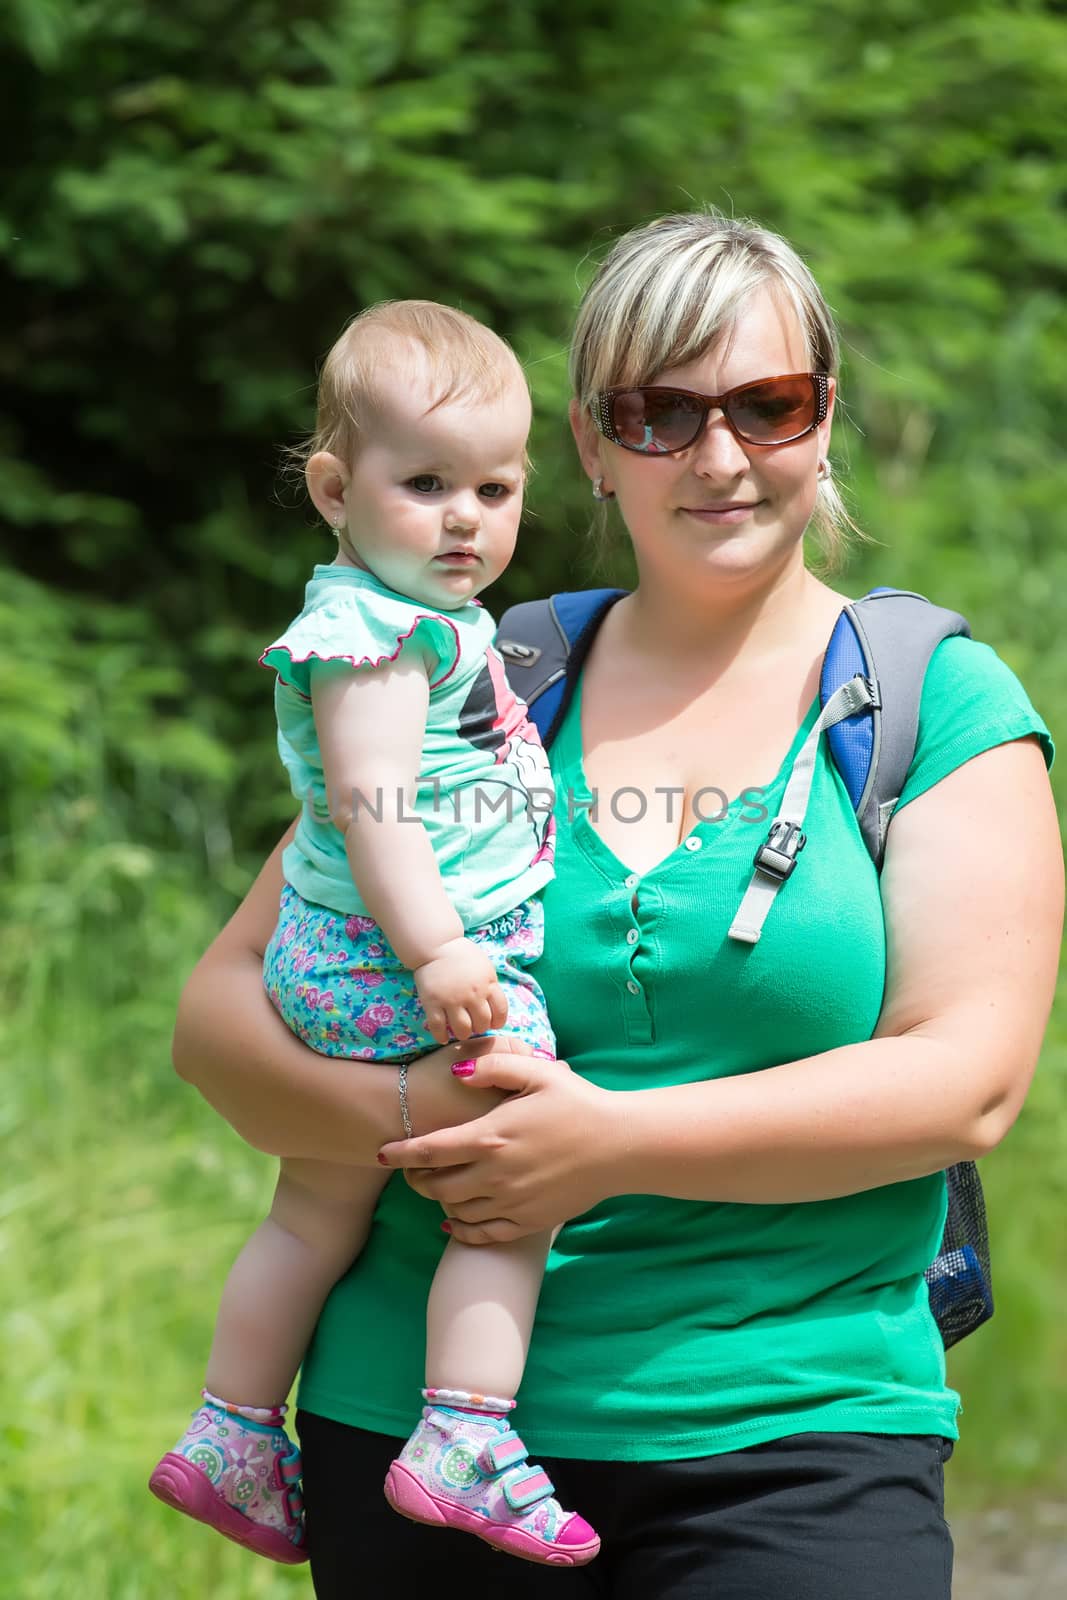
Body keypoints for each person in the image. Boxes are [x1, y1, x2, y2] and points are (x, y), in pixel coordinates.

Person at [171, 213, 1062, 1599]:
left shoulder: (927, 701)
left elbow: (963, 1086)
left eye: (766, 406)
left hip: (800, 1435)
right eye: (659, 414)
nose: (718, 457)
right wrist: (417, 1123)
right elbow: (221, 1022)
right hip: (404, 1440)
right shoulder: (485, 676)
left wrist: (600, 1145)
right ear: (590, 444)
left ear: (824, 421)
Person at [150, 299, 600, 1568]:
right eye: (426, 483)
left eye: (496, 486)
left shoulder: (405, 618)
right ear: (336, 488)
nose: (467, 517)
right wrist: (441, 952)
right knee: (510, 1193)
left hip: (341, 956)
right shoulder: (381, 640)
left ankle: (236, 1429)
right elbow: (372, 807)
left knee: (315, 1206)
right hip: (400, 962)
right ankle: (464, 1430)